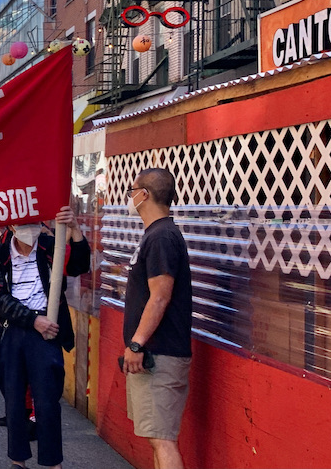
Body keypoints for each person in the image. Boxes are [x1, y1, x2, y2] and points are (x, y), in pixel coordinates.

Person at [0, 207, 90, 469]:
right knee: (13, 398)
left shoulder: (49, 247)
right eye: (24, 223)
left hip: (47, 332)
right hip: (13, 330)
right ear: (11, 226)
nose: (30, 228)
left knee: (47, 400)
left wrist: (76, 229)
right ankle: (17, 460)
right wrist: (33, 320)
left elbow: (79, 265)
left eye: (34, 222)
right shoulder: (0, 255)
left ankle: (52, 462)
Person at [123, 168, 192, 469]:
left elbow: (160, 296)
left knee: (162, 439)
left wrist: (137, 344)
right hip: (157, 353)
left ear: (145, 194)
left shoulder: (162, 236)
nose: (130, 196)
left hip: (160, 353)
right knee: (156, 437)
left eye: (132, 190)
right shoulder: (156, 234)